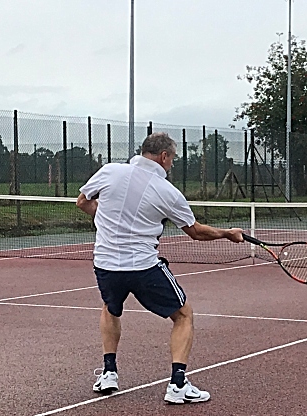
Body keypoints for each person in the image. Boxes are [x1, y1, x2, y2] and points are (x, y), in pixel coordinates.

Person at [76, 132, 243, 404]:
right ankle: (178, 385)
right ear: (164, 156)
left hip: (105, 264)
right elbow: (196, 232)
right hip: (143, 267)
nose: (172, 164)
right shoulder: (167, 191)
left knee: (110, 308)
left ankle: (109, 373)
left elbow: (82, 202)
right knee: (184, 316)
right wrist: (227, 233)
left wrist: (108, 218)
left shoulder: (110, 171)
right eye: (172, 158)